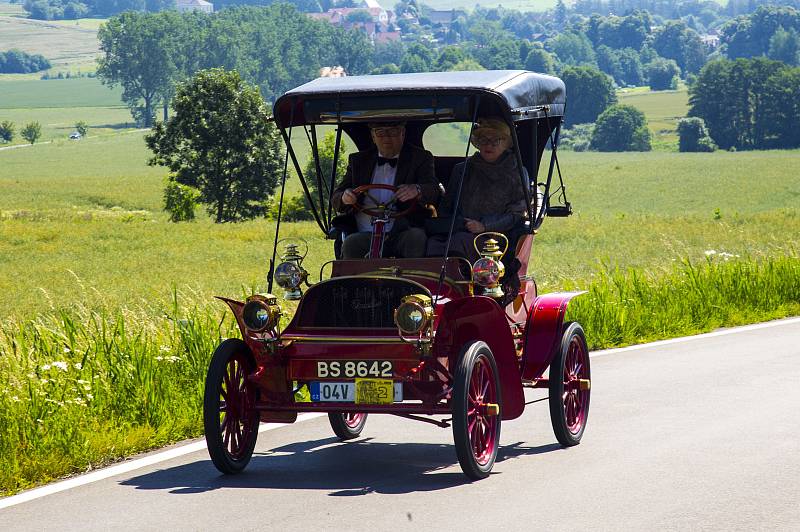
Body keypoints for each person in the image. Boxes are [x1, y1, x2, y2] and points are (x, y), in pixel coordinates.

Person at [331, 122, 441, 258]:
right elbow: (336, 197)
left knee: (417, 237)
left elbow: (435, 190)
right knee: (350, 243)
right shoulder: (358, 161)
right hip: (364, 232)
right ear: (373, 136)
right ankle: (354, 279)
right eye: (380, 132)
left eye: (393, 132)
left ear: (403, 133)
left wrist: (417, 189)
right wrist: (345, 197)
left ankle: (412, 278)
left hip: (402, 230)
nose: (386, 138)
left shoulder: (420, 158)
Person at [426, 118, 527, 263]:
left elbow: (516, 214)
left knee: (460, 242)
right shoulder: (462, 169)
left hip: (497, 237)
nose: (488, 145)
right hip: (458, 230)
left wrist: (484, 226)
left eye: (495, 140)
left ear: (506, 144)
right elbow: (446, 206)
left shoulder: (516, 172)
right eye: (483, 139)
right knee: (432, 243)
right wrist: (453, 224)